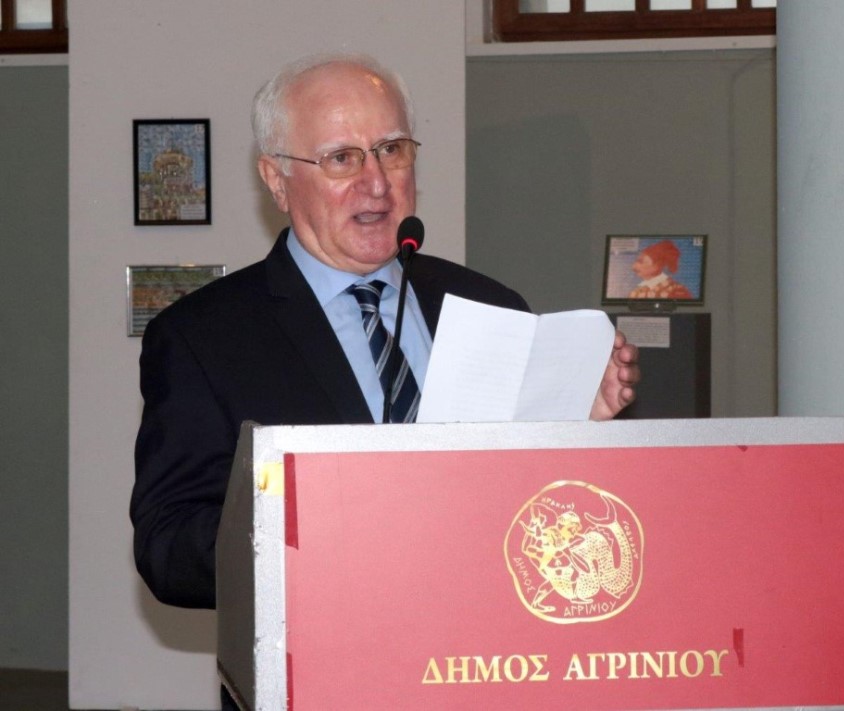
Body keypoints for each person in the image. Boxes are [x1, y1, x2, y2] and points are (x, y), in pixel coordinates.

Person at [131, 52, 639, 690]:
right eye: (342, 158)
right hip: (324, 677)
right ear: (277, 179)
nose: (376, 183)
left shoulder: (492, 305)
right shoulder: (204, 337)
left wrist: (576, 421)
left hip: (494, 668)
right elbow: (168, 549)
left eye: (392, 150)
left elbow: (533, 505)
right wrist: (320, 530)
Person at [628, 239, 694, 300]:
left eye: (640, 261)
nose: (633, 267)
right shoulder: (635, 292)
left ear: (657, 265)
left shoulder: (677, 290)